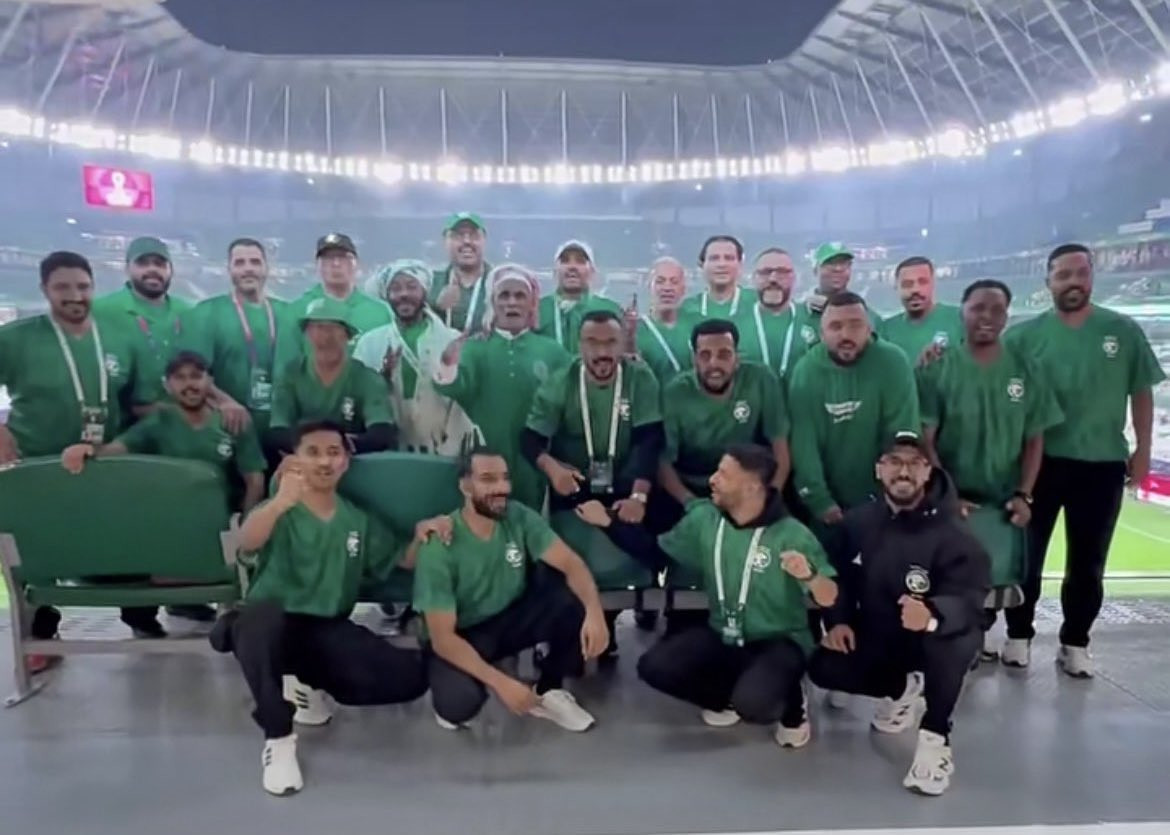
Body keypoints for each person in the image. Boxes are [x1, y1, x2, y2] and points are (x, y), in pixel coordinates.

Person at [208, 419, 434, 796]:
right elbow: (246, 542)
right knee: (259, 621)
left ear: (345, 460)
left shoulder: (356, 519)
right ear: (294, 459)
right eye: (313, 452)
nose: (324, 461)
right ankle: (278, 737)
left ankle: (309, 681)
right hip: (273, 620)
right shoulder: (278, 508)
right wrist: (280, 502)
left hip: (325, 627)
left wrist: (426, 533)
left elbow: (403, 559)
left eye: (333, 452)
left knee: (409, 678)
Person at [1000, 243, 1166, 676]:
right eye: (1063, 275)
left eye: (1080, 273)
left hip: (1101, 464)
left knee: (1089, 563)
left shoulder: (1122, 330)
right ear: (1048, 282)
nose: (1073, 282)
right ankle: (1018, 635)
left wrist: (1143, 449)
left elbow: (1141, 392)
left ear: (1092, 276)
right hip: (1038, 465)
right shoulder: (1022, 337)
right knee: (1025, 558)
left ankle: (1075, 641)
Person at [810, 432, 989, 796]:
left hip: (933, 636)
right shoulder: (858, 522)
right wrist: (838, 621)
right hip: (882, 633)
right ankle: (903, 689)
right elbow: (838, 576)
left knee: (952, 641)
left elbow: (972, 596)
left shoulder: (953, 529)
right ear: (879, 470)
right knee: (824, 666)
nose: (903, 471)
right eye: (893, 462)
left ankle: (935, 738)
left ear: (927, 472)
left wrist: (933, 614)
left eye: (913, 463)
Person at [638, 444, 836, 747]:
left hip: (778, 640)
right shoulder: (705, 519)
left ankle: (793, 702)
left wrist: (810, 576)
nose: (712, 479)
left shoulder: (792, 534)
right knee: (654, 667)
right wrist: (610, 523)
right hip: (724, 633)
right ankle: (728, 698)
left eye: (724, 475)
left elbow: (830, 596)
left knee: (756, 706)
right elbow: (657, 551)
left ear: (752, 487)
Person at [0, 251, 145, 660]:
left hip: (104, 465)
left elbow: (142, 401)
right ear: (45, 289)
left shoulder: (121, 335)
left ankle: (142, 616)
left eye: (82, 286)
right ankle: (40, 638)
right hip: (36, 464)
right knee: (34, 554)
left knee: (117, 547)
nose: (75, 296)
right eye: (62, 287)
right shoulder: (16, 338)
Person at [61, 350, 268, 634]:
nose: (189, 384)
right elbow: (115, 450)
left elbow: (254, 479)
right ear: (168, 385)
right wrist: (87, 450)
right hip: (166, 524)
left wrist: (245, 527)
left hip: (217, 523)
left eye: (196, 376)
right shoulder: (158, 422)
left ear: (210, 381)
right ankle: (141, 615)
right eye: (180, 378)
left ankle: (230, 619)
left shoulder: (233, 422)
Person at [412, 446, 610, 732]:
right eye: (488, 479)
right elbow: (443, 639)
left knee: (570, 598)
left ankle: (550, 688)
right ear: (465, 486)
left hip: (509, 617)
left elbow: (571, 563)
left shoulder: (518, 516)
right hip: (463, 634)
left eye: (505, 478)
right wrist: (502, 683)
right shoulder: (439, 545)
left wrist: (595, 611)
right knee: (458, 706)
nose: (502, 488)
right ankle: (482, 675)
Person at [916, 280, 1063, 660]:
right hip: (954, 500)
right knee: (950, 581)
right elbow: (926, 440)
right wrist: (947, 494)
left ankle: (979, 642)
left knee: (996, 582)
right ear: (962, 312)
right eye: (978, 308)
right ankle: (956, 649)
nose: (987, 317)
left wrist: (1024, 493)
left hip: (1003, 502)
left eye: (997, 309)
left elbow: (1034, 438)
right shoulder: (937, 369)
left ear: (1006, 316)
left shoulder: (1026, 369)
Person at [523, 309, 664, 653]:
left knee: (644, 547)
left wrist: (639, 497)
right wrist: (553, 469)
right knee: (566, 560)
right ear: (579, 345)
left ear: (623, 343)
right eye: (592, 342)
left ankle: (617, 617)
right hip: (576, 485)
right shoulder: (561, 380)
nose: (602, 352)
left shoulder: (640, 377)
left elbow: (649, 441)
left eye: (610, 342)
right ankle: (568, 631)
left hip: (626, 484)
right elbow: (530, 439)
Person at [433, 264, 571, 510]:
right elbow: (455, 388)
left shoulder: (552, 352)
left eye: (520, 296)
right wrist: (447, 364)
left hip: (535, 463)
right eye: (504, 295)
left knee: (530, 521)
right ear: (492, 303)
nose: (511, 303)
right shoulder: (474, 348)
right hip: (485, 457)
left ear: (532, 304)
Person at [788, 291, 919, 544]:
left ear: (869, 328)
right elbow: (804, 447)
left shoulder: (893, 362)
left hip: (888, 502)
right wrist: (820, 501)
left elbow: (903, 434)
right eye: (835, 327)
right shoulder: (806, 372)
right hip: (829, 507)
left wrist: (893, 495)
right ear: (822, 333)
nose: (845, 335)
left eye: (855, 325)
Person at [659, 319, 790, 519]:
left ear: (737, 358)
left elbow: (780, 447)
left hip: (747, 487)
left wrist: (770, 496)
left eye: (724, 354)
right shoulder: (675, 393)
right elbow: (662, 463)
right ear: (694, 360)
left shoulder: (762, 379)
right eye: (705, 355)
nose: (714, 364)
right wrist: (690, 502)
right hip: (694, 488)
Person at [177, 238, 296, 446]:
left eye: (255, 262)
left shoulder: (289, 314)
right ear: (229, 270)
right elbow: (190, 374)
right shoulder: (207, 313)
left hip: (282, 428)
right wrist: (225, 401)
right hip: (229, 426)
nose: (248, 269)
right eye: (240, 263)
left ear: (267, 268)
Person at [353, 259, 474, 455]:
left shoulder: (452, 340)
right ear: (387, 295)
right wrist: (381, 378)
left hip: (442, 451)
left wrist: (452, 448)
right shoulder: (370, 344)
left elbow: (463, 403)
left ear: (424, 292)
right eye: (396, 288)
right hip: (386, 452)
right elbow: (358, 397)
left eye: (412, 287)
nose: (404, 294)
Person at [267, 298, 395, 455]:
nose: (325, 337)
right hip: (303, 460)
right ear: (307, 333)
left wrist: (337, 448)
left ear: (348, 335)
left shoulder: (367, 378)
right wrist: (317, 449)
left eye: (333, 329)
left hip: (354, 460)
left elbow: (381, 433)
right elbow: (278, 430)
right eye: (318, 328)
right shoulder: (291, 374)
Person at [92, 236, 192, 411]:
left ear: (171, 270)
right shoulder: (100, 310)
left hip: (181, 417)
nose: (152, 269)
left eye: (160, 264)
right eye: (143, 263)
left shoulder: (189, 313)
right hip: (121, 419)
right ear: (127, 268)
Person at [278, 234, 392, 368]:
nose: (336, 264)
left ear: (357, 264)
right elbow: (284, 366)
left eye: (343, 257)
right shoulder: (297, 311)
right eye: (328, 258)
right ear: (317, 266)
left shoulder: (380, 312)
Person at [735, 247, 813, 379]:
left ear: (794, 278)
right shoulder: (734, 324)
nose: (773, 279)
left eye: (782, 272)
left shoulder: (812, 319)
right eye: (765, 272)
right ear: (753, 278)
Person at [536, 240, 621, 353]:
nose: (572, 267)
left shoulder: (610, 309)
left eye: (580, 261)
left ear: (592, 271)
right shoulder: (538, 309)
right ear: (555, 271)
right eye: (565, 261)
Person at [879, 257, 963, 363]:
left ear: (933, 283)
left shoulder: (960, 319)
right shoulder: (885, 330)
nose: (915, 290)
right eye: (907, 284)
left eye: (923, 282)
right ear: (896, 287)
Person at [801, 242, 882, 346]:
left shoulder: (869, 317)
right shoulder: (799, 313)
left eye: (844, 264)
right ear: (815, 270)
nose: (838, 269)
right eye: (830, 263)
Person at [634, 256, 696, 384]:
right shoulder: (636, 330)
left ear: (683, 288)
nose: (667, 288)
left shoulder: (697, 325)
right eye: (660, 281)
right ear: (649, 286)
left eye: (674, 282)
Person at [431, 212, 492, 333]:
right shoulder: (430, 284)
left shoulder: (500, 284)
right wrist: (436, 308)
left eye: (474, 235)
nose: (467, 241)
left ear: (484, 240)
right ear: (445, 241)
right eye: (458, 236)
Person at [680, 235, 756, 319]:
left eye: (729, 258)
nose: (721, 264)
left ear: (740, 264)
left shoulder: (757, 303)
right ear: (701, 265)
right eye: (714, 258)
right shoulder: (685, 308)